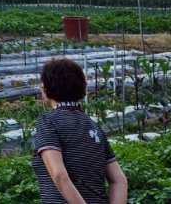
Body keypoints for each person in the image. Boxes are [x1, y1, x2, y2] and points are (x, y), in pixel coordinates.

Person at [32, 58, 128, 204]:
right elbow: (119, 180)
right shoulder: (94, 127)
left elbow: (59, 175)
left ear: (47, 88)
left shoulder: (49, 122)